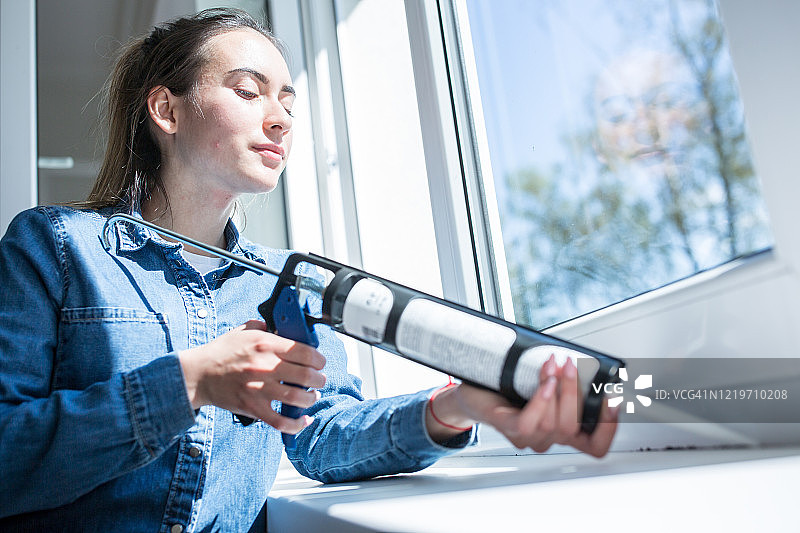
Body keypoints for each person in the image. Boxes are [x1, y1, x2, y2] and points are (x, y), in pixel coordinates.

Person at [0, 8, 618, 531]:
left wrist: (454, 408)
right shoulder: (54, 246)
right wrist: (187, 383)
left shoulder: (284, 284)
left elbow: (321, 436)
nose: (280, 119)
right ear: (166, 109)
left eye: (287, 102)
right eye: (248, 91)